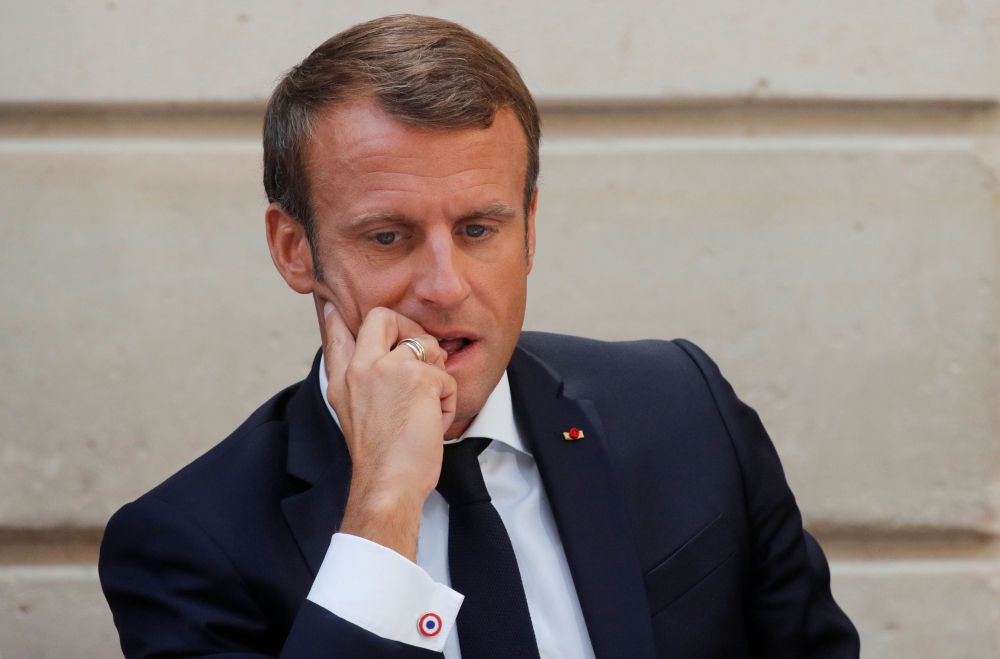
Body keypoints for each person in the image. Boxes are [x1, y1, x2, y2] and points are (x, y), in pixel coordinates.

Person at [99, 14, 860, 659]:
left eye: (478, 229)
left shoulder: (685, 409)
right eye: (389, 236)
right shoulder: (183, 546)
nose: (444, 284)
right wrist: (384, 505)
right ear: (296, 250)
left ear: (530, 229)